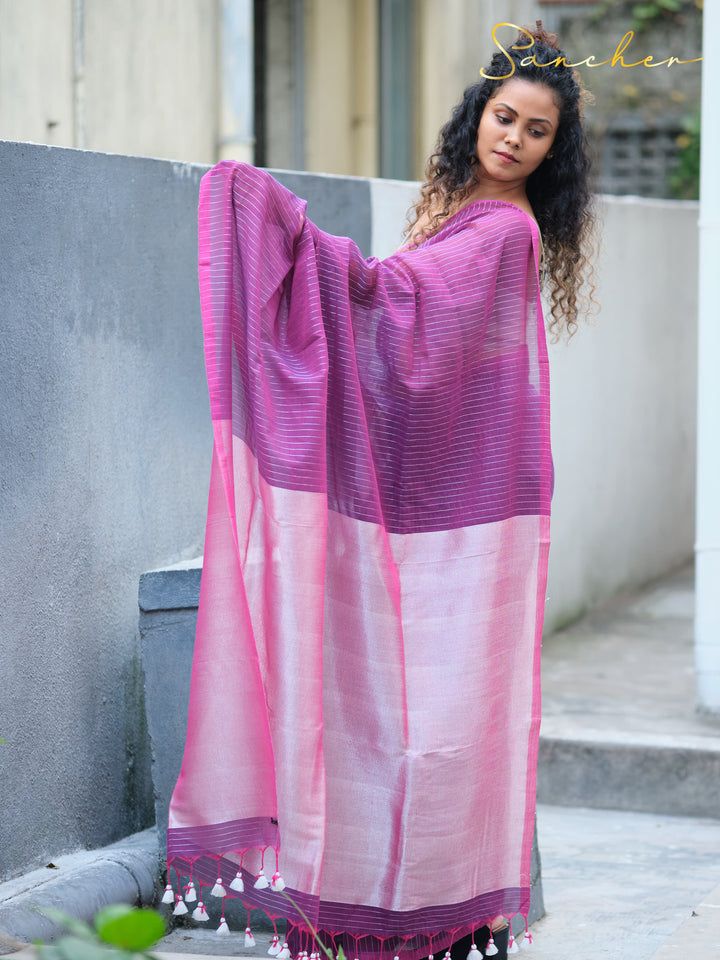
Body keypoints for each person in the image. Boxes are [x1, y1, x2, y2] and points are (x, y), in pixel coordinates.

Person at [164, 22, 594, 960]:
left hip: (456, 528)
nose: (513, 138)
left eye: (537, 131)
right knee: (400, 718)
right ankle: (393, 919)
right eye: (503, 115)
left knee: (427, 720)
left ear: (555, 153)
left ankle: (411, 922)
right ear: (476, 114)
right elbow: (412, 330)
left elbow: (387, 307)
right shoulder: (466, 220)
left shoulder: (501, 238)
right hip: (445, 513)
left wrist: (278, 225)